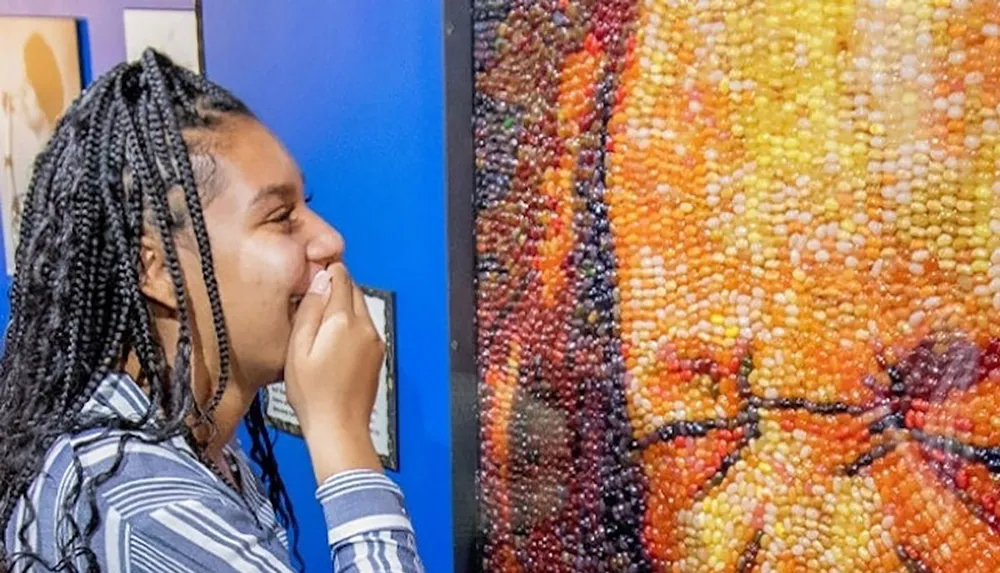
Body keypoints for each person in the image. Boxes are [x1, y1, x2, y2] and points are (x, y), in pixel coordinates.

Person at [0, 49, 424, 572]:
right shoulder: (149, 512)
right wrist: (342, 436)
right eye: (280, 217)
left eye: (306, 204)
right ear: (154, 270)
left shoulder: (172, 439)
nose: (330, 239)